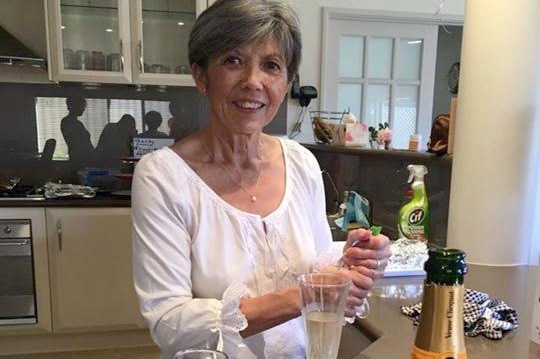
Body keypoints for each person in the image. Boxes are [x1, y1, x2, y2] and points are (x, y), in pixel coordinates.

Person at [131, 1, 391, 358]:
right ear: (201, 75)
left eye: (271, 65)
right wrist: (305, 294)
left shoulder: (300, 161)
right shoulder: (163, 176)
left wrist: (351, 257)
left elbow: (314, 259)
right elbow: (169, 322)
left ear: (285, 83)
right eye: (233, 61)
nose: (253, 82)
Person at [60, 95, 95, 165]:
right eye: (82, 106)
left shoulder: (78, 123)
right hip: (79, 160)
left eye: (84, 107)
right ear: (74, 106)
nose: (83, 109)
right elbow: (76, 144)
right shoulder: (67, 122)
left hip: (86, 159)